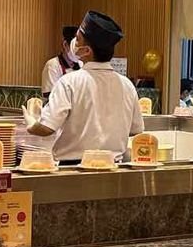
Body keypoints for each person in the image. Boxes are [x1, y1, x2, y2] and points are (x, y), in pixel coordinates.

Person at [24, 11, 142, 162]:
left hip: (75, 168)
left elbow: (47, 128)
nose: (74, 43)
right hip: (113, 168)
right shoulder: (127, 85)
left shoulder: (69, 82)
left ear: (87, 51)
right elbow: (136, 130)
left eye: (78, 39)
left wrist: (31, 124)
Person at [41, 25, 79, 96]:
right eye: (75, 47)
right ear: (65, 45)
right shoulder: (52, 65)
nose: (78, 51)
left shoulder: (81, 65)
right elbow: (50, 97)